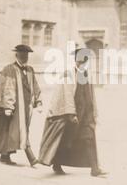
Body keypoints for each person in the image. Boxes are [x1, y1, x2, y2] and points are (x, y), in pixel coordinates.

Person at [38, 48, 107, 177]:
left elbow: (91, 95)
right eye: (80, 60)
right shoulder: (68, 74)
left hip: (86, 114)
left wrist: (94, 112)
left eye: (85, 60)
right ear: (76, 61)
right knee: (66, 139)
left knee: (89, 138)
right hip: (72, 113)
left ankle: (95, 168)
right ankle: (57, 163)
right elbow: (67, 95)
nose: (82, 63)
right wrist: (71, 113)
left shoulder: (86, 74)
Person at [0, 44, 43, 166]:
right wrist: (8, 106)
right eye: (21, 54)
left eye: (26, 55)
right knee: (16, 130)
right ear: (16, 55)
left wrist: (38, 101)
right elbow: (7, 88)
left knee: (13, 131)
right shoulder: (9, 69)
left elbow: (35, 86)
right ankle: (31, 158)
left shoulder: (30, 70)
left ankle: (5, 156)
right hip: (14, 106)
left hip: (26, 106)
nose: (24, 57)